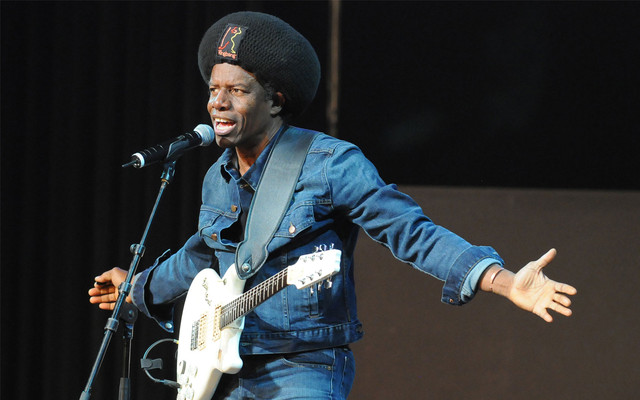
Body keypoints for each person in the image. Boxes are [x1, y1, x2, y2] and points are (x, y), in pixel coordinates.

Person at [89, 11, 577, 400]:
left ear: (275, 101)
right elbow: (201, 255)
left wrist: (504, 281)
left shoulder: (329, 164)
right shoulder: (218, 176)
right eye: (214, 90)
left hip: (302, 367)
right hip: (225, 371)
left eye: (236, 91)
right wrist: (136, 287)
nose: (218, 102)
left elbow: (410, 231)